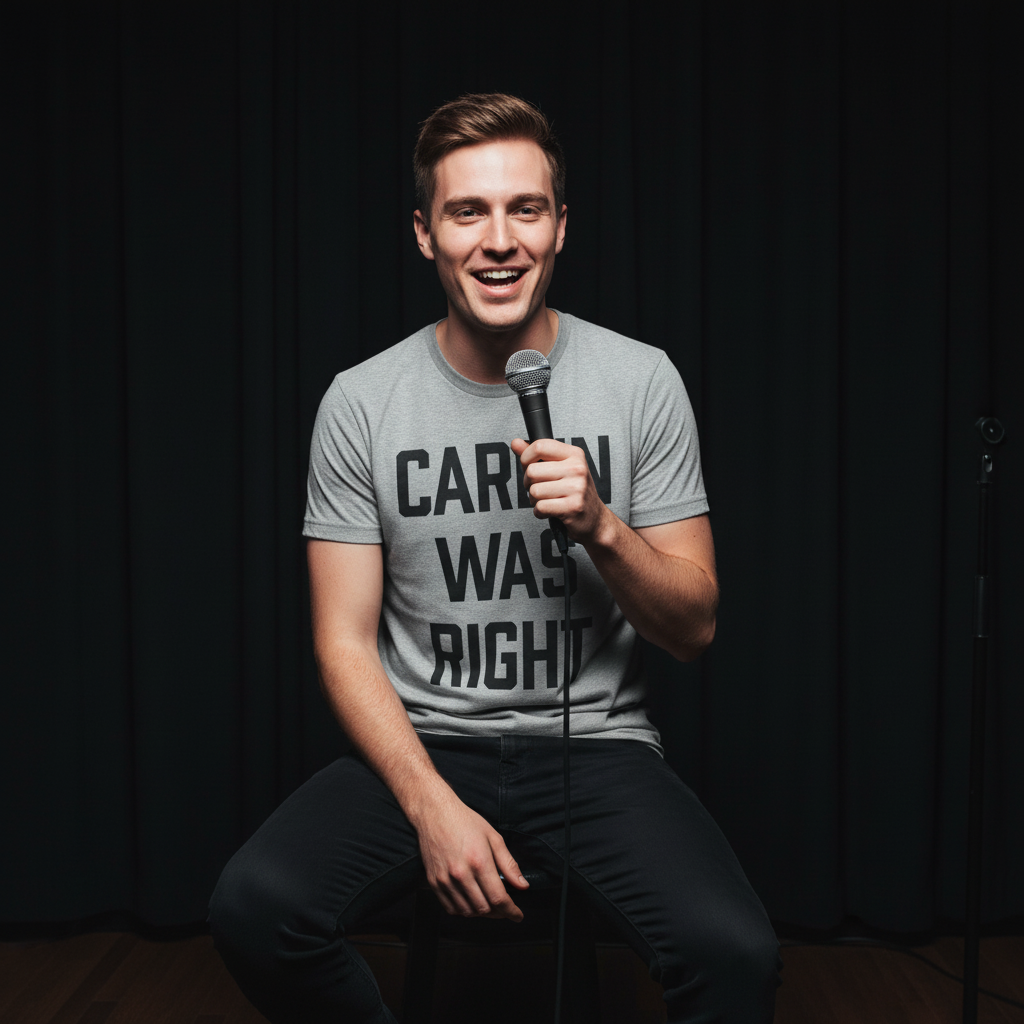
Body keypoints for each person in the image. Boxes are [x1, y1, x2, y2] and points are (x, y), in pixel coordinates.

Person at [209, 92, 779, 1023]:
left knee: (735, 955)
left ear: (561, 227)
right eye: (468, 211)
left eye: (525, 209)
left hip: (597, 751)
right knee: (254, 907)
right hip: (425, 741)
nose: (499, 239)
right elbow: (344, 645)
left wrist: (602, 525)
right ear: (426, 234)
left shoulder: (641, 380)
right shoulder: (361, 402)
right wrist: (432, 807)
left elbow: (695, 626)